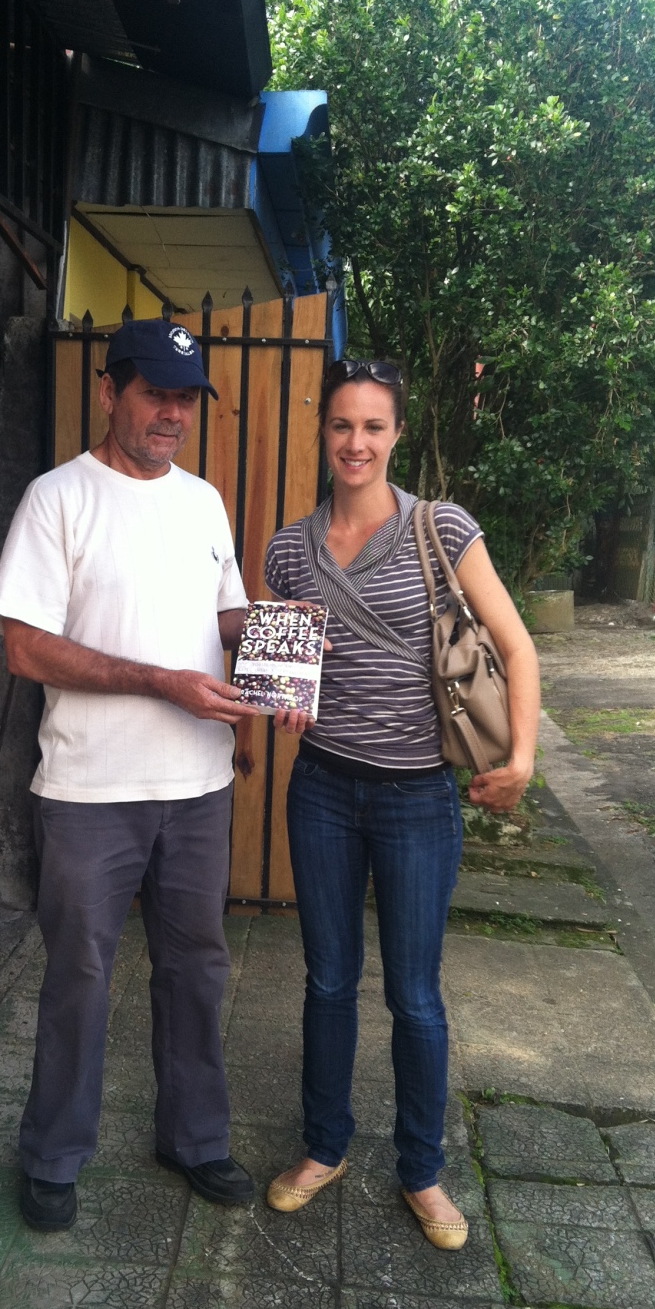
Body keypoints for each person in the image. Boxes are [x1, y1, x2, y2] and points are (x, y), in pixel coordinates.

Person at [0, 317, 259, 1232]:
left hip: (197, 786)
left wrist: (284, 649)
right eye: (154, 393)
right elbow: (24, 647)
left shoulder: (206, 502)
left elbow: (225, 621)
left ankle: (195, 1138)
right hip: (89, 792)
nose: (171, 414)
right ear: (110, 393)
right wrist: (158, 682)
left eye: (186, 398)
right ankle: (55, 1155)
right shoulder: (58, 499)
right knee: (79, 975)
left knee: (197, 968)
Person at [262, 358, 541, 1249]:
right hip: (323, 791)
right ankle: (325, 1147)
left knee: (415, 995)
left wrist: (523, 758)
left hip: (420, 798)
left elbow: (517, 646)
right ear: (324, 432)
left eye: (373, 427)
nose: (356, 443)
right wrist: (280, 702)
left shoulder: (440, 528)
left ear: (396, 435)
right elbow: (285, 675)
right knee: (328, 981)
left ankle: (422, 1170)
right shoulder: (285, 548)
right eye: (343, 425)